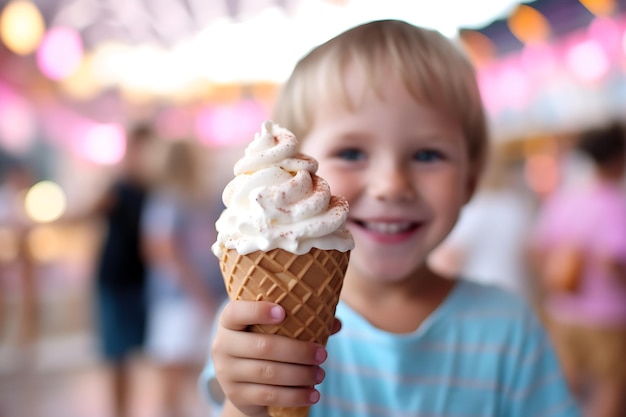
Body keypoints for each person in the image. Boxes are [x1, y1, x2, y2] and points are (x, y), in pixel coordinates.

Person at [203, 20, 579, 417]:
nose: (391, 185)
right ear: (295, 180)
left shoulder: (510, 330)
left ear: (469, 180)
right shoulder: (255, 320)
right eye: (351, 153)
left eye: (427, 155)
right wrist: (247, 406)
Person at [530, 123, 626, 417]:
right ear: (617, 158)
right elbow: (613, 261)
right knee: (611, 389)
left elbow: (538, 250)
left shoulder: (566, 198)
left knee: (565, 389)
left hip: (563, 310)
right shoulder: (614, 203)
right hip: (608, 315)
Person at [142, 139, 226, 417]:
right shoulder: (169, 198)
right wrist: (199, 293)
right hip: (179, 299)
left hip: (201, 295)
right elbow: (164, 251)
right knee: (174, 375)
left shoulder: (203, 196)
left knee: (200, 373)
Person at [90, 123, 157, 417]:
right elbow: (88, 211)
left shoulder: (154, 189)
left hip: (143, 280)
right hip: (116, 280)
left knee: (145, 353)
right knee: (118, 356)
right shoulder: (118, 188)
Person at [429, 152, 537, 302]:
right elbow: (532, 257)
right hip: (516, 296)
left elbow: (446, 264)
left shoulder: (469, 211)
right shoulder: (516, 206)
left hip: (480, 303)